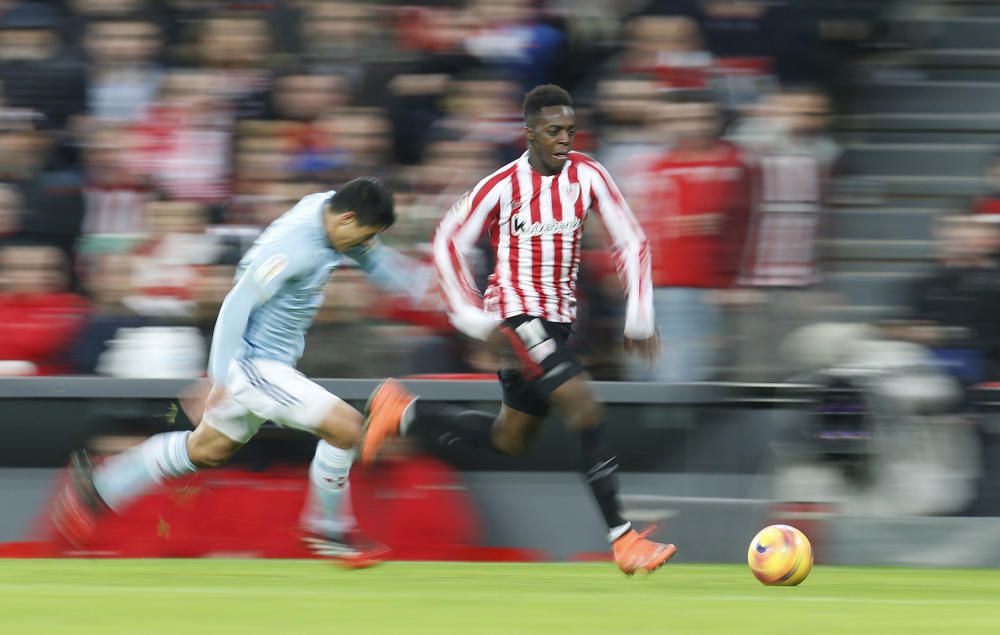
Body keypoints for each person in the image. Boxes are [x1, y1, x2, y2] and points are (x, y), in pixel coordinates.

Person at [360, 85, 676, 575]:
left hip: (557, 322)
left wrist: (640, 312)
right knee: (583, 404)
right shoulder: (501, 186)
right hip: (515, 317)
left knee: (511, 439)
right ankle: (624, 538)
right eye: (553, 131)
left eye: (570, 130)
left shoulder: (588, 175)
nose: (565, 139)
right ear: (528, 133)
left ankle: (404, 411)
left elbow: (630, 238)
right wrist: (471, 318)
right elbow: (446, 238)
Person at [53, 177, 427, 565]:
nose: (362, 244)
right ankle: (327, 530)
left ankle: (99, 486)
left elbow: (368, 252)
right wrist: (218, 378)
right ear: (347, 218)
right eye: (362, 235)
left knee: (207, 450)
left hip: (267, 363)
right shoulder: (294, 249)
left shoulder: (330, 211)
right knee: (346, 427)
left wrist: (414, 282)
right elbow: (237, 302)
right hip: (255, 364)